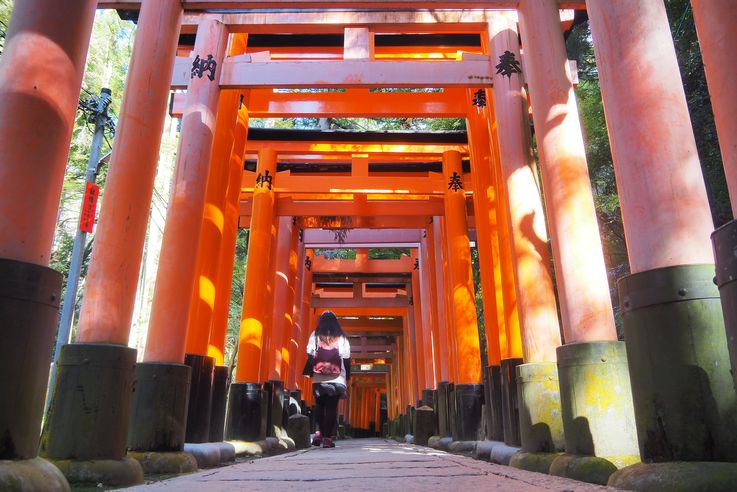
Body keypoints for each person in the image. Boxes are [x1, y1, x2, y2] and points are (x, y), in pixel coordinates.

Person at [305, 310, 351, 448]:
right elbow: (347, 356)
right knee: (331, 407)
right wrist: (347, 375)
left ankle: (318, 433)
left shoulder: (315, 335)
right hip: (336, 377)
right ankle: (327, 438)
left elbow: (309, 352)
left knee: (319, 405)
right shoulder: (341, 337)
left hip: (319, 377)